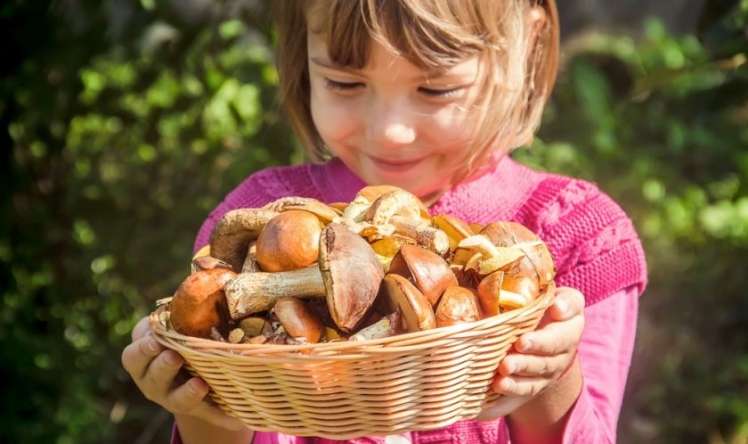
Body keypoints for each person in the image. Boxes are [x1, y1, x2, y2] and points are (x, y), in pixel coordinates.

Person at [121, 1, 648, 443]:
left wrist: (550, 379)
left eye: (436, 90)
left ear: (525, 50)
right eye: (346, 83)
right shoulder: (258, 226)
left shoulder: (578, 237)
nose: (390, 130)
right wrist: (199, 407)